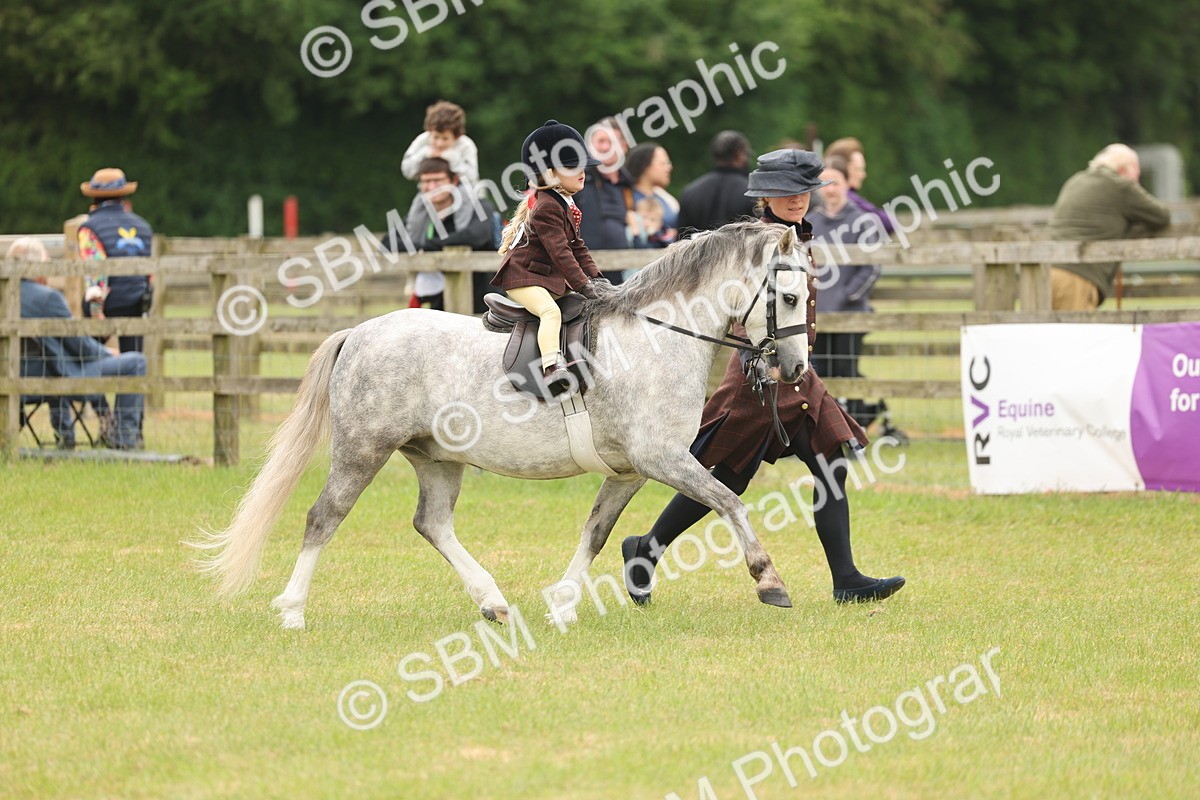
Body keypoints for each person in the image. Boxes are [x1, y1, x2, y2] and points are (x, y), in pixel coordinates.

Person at [622, 149, 905, 605]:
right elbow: (738, 304)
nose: (796, 200)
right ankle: (645, 550)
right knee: (729, 477)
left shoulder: (796, 235)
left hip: (799, 376)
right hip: (759, 376)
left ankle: (847, 579)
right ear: (765, 197)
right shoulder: (754, 242)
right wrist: (762, 355)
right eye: (785, 193)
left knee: (831, 465)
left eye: (803, 192)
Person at [492, 120, 614, 398]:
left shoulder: (564, 202)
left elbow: (579, 248)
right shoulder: (547, 207)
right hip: (524, 277)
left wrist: (599, 281)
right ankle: (551, 367)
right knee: (551, 312)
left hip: (543, 277)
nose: (583, 171)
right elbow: (561, 254)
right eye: (573, 166)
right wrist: (584, 285)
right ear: (549, 173)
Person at [10, 237, 147, 450]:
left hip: (14, 378)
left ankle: (66, 439)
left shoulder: (4, 294)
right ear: (34, 266)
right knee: (136, 362)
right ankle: (124, 440)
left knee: (55, 361)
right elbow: (80, 345)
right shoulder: (47, 298)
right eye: (46, 264)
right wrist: (107, 353)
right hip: (51, 378)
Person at [807, 156, 883, 428]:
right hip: (816, 317)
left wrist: (847, 295)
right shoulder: (809, 222)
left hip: (851, 316)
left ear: (847, 184)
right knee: (819, 375)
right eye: (825, 183)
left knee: (846, 373)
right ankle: (825, 430)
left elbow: (871, 268)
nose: (830, 189)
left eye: (835, 182)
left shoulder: (864, 221)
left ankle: (854, 429)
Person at [1048, 144, 1171, 310]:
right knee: (1075, 334)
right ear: (1124, 170)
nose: (1137, 181)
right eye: (1137, 174)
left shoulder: (1076, 180)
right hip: (1078, 278)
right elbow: (1162, 216)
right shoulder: (1122, 187)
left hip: (1049, 273)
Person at [400, 157, 499, 312]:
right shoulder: (419, 216)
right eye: (426, 181)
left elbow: (476, 236)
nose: (431, 186)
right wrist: (421, 246)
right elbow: (388, 243)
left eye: (438, 180)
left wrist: (430, 245)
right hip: (441, 307)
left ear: (454, 180)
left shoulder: (479, 205)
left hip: (487, 302)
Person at [77, 167, 155, 354]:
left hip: (109, 302)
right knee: (133, 356)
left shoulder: (89, 228)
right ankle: (134, 380)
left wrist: (96, 311)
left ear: (94, 198)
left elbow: (96, 272)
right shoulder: (143, 226)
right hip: (138, 301)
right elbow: (149, 273)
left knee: (92, 357)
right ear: (123, 196)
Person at [574, 117, 632, 282]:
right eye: (601, 141)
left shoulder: (630, 185)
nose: (606, 147)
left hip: (626, 273)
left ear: (624, 147)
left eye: (612, 142)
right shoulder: (576, 181)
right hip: (583, 274)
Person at [675, 130, 756, 236]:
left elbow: (682, 240)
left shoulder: (690, 192)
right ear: (739, 154)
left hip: (700, 252)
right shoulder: (752, 192)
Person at [824, 137, 895, 234]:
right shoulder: (848, 199)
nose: (863, 174)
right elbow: (887, 223)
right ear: (846, 169)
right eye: (858, 169)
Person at [401, 100, 480, 185]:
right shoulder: (422, 140)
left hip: (463, 192)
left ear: (456, 137)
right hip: (430, 191)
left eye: (445, 139)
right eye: (435, 137)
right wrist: (424, 153)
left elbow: (472, 177)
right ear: (430, 131)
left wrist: (452, 157)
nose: (439, 144)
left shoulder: (466, 145)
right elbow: (407, 171)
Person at [625, 142, 678, 246]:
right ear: (645, 165)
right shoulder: (626, 197)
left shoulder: (666, 198)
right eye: (663, 163)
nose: (669, 167)